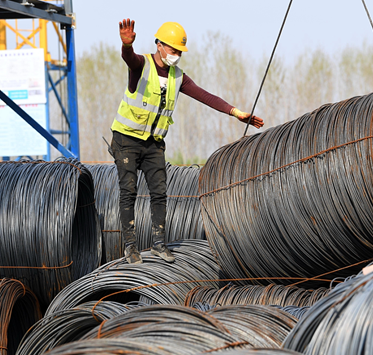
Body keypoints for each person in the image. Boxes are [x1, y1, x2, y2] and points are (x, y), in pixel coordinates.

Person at [111, 19, 264, 264]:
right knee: (128, 192)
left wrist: (236, 112)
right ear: (159, 45)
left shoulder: (178, 77)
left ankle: (159, 244)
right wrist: (126, 46)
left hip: (153, 143)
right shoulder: (142, 65)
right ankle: (131, 247)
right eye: (173, 49)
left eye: (180, 51)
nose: (177, 55)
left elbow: (205, 96)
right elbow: (130, 59)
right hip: (127, 139)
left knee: (160, 193)